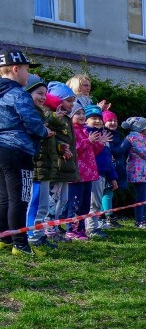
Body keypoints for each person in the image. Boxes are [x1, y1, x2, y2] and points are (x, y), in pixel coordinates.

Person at [0, 49, 53, 256]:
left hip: (1, 151)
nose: (28, 74)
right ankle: (20, 244)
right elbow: (31, 122)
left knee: (3, 197)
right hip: (17, 150)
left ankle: (4, 238)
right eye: (26, 70)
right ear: (15, 69)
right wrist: (44, 131)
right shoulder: (18, 94)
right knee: (19, 199)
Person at [25, 74, 61, 253]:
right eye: (39, 93)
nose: (42, 97)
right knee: (36, 202)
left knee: (44, 204)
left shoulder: (40, 114)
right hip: (37, 167)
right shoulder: (29, 114)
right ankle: (32, 234)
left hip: (45, 166)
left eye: (44, 95)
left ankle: (37, 234)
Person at [42, 81, 79, 240]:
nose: (72, 104)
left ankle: (56, 226)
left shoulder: (66, 118)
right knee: (53, 198)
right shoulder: (50, 115)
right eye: (69, 101)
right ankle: (48, 229)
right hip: (56, 165)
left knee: (63, 199)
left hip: (66, 164)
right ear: (57, 100)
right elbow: (50, 136)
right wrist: (60, 147)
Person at [67, 103, 106, 239]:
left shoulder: (85, 130)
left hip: (89, 174)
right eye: (78, 113)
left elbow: (93, 152)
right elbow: (74, 149)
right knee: (75, 204)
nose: (82, 116)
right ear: (70, 116)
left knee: (84, 204)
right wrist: (88, 141)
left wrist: (99, 143)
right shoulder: (70, 130)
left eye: (83, 113)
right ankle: (72, 230)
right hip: (77, 174)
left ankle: (81, 229)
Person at [84, 105, 117, 236]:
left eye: (99, 118)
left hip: (102, 174)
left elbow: (108, 158)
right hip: (90, 173)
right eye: (93, 118)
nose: (97, 121)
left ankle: (93, 226)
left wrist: (113, 177)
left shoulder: (104, 135)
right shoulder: (85, 133)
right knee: (91, 202)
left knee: (96, 201)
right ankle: (90, 228)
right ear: (86, 120)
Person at [122, 116, 146, 229]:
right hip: (138, 173)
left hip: (145, 173)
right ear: (140, 128)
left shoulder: (145, 138)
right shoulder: (133, 138)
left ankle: (144, 219)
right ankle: (140, 220)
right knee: (141, 197)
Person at [102, 110, 127, 227]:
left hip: (115, 168)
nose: (113, 123)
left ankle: (105, 216)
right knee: (107, 192)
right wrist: (125, 144)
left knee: (109, 192)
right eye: (109, 120)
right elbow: (115, 151)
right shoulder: (106, 135)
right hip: (107, 168)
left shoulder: (116, 134)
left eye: (115, 121)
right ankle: (108, 217)